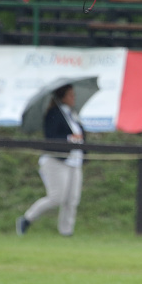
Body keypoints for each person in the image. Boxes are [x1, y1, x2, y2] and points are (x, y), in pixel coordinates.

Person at [16, 84, 84, 237]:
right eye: (70, 95)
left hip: (75, 161)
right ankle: (27, 219)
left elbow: (81, 134)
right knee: (56, 197)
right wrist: (69, 139)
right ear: (62, 97)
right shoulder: (53, 113)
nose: (74, 98)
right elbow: (51, 136)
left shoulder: (73, 114)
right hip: (57, 160)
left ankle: (66, 232)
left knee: (72, 200)